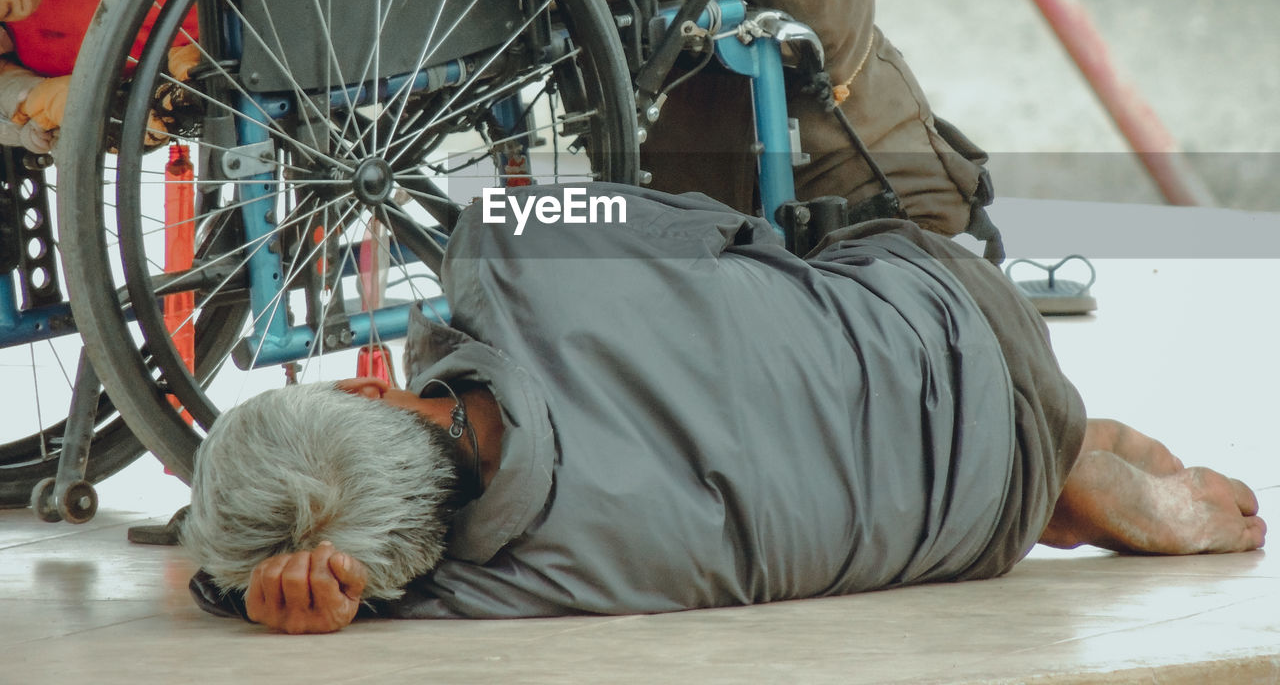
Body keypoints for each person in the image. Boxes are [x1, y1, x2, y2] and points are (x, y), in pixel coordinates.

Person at [180, 185, 1265, 634]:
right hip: (946, 305)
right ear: (369, 386)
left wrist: (257, 600)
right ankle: (1080, 445)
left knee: (960, 463)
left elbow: (379, 586)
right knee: (816, 243)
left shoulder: (523, 585)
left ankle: (1067, 479)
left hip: (976, 523)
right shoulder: (507, 236)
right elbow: (718, 229)